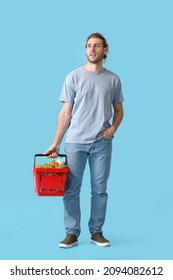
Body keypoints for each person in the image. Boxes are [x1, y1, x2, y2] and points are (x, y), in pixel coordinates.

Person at [45, 32, 124, 248]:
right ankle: (71, 232)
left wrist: (113, 129)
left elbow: (119, 110)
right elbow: (66, 113)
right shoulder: (73, 77)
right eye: (89, 45)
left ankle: (96, 231)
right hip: (76, 141)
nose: (92, 49)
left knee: (99, 188)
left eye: (97, 46)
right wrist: (56, 142)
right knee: (71, 188)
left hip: (102, 142)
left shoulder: (113, 79)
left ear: (104, 50)